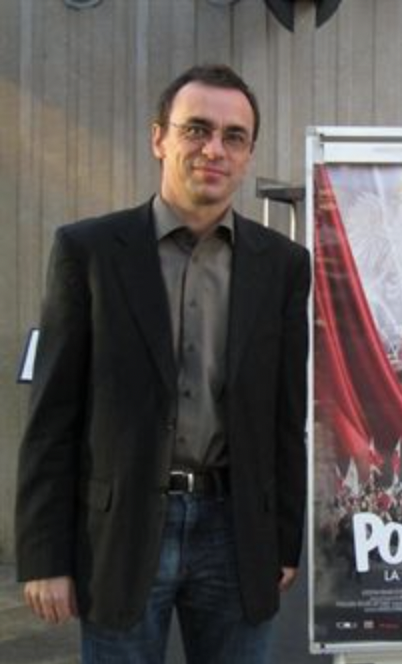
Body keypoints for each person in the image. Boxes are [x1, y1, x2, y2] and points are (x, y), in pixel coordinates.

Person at [15, 64, 310, 663]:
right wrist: (45, 556)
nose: (214, 149)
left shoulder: (283, 265)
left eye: (233, 136)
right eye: (196, 129)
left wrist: (284, 540)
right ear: (159, 138)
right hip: (121, 533)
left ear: (248, 154)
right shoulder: (89, 252)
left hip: (235, 534)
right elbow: (52, 418)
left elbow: (285, 416)